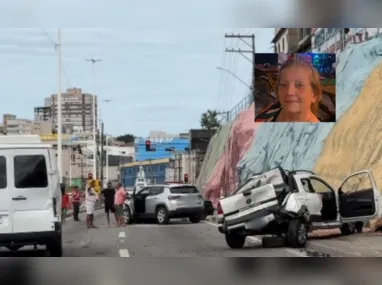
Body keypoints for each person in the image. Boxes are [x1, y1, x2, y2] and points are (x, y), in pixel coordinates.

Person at [255, 57, 323, 123]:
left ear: (315, 95)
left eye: (299, 85)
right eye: (284, 85)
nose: (289, 92)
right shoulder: (265, 116)